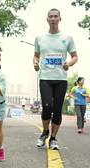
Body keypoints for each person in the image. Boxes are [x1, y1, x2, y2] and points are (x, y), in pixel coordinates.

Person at [34, 8, 78, 150]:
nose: (53, 19)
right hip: (45, 78)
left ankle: (53, 139)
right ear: (47, 19)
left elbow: (75, 56)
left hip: (61, 79)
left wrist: (68, 64)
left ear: (60, 19)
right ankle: (45, 132)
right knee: (48, 106)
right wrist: (35, 63)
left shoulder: (68, 37)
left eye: (55, 16)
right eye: (50, 16)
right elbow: (36, 55)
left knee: (58, 109)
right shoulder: (39, 38)